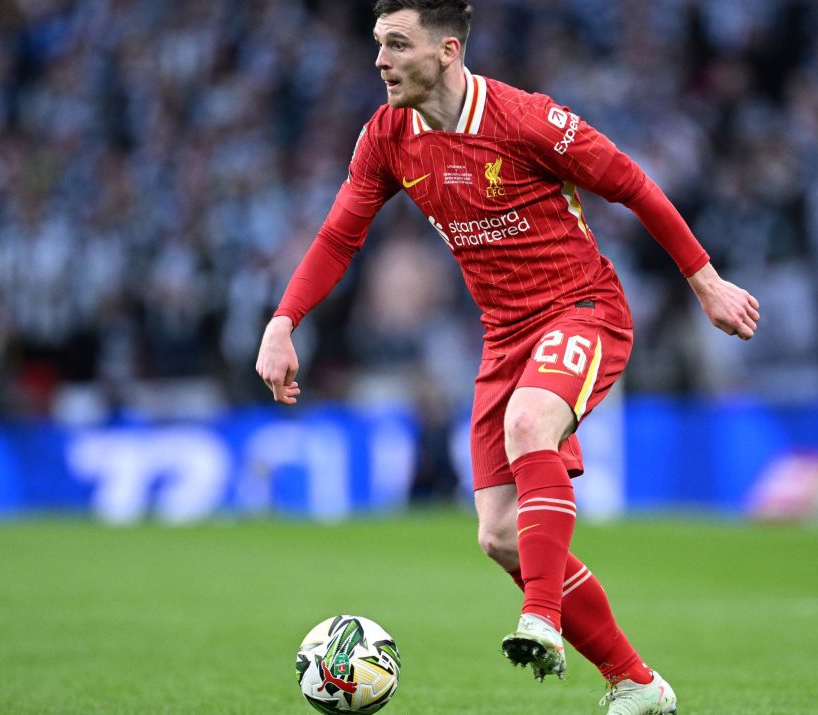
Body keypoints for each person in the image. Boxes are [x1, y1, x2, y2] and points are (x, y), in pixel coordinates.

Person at [256, 2, 760, 712]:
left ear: (447, 50)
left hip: (582, 309)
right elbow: (340, 236)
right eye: (378, 44)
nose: (380, 61)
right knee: (498, 536)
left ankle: (541, 617)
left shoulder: (526, 120)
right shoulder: (387, 137)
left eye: (397, 44)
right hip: (503, 338)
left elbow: (631, 183)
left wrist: (704, 280)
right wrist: (284, 321)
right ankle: (637, 683)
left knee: (529, 424)